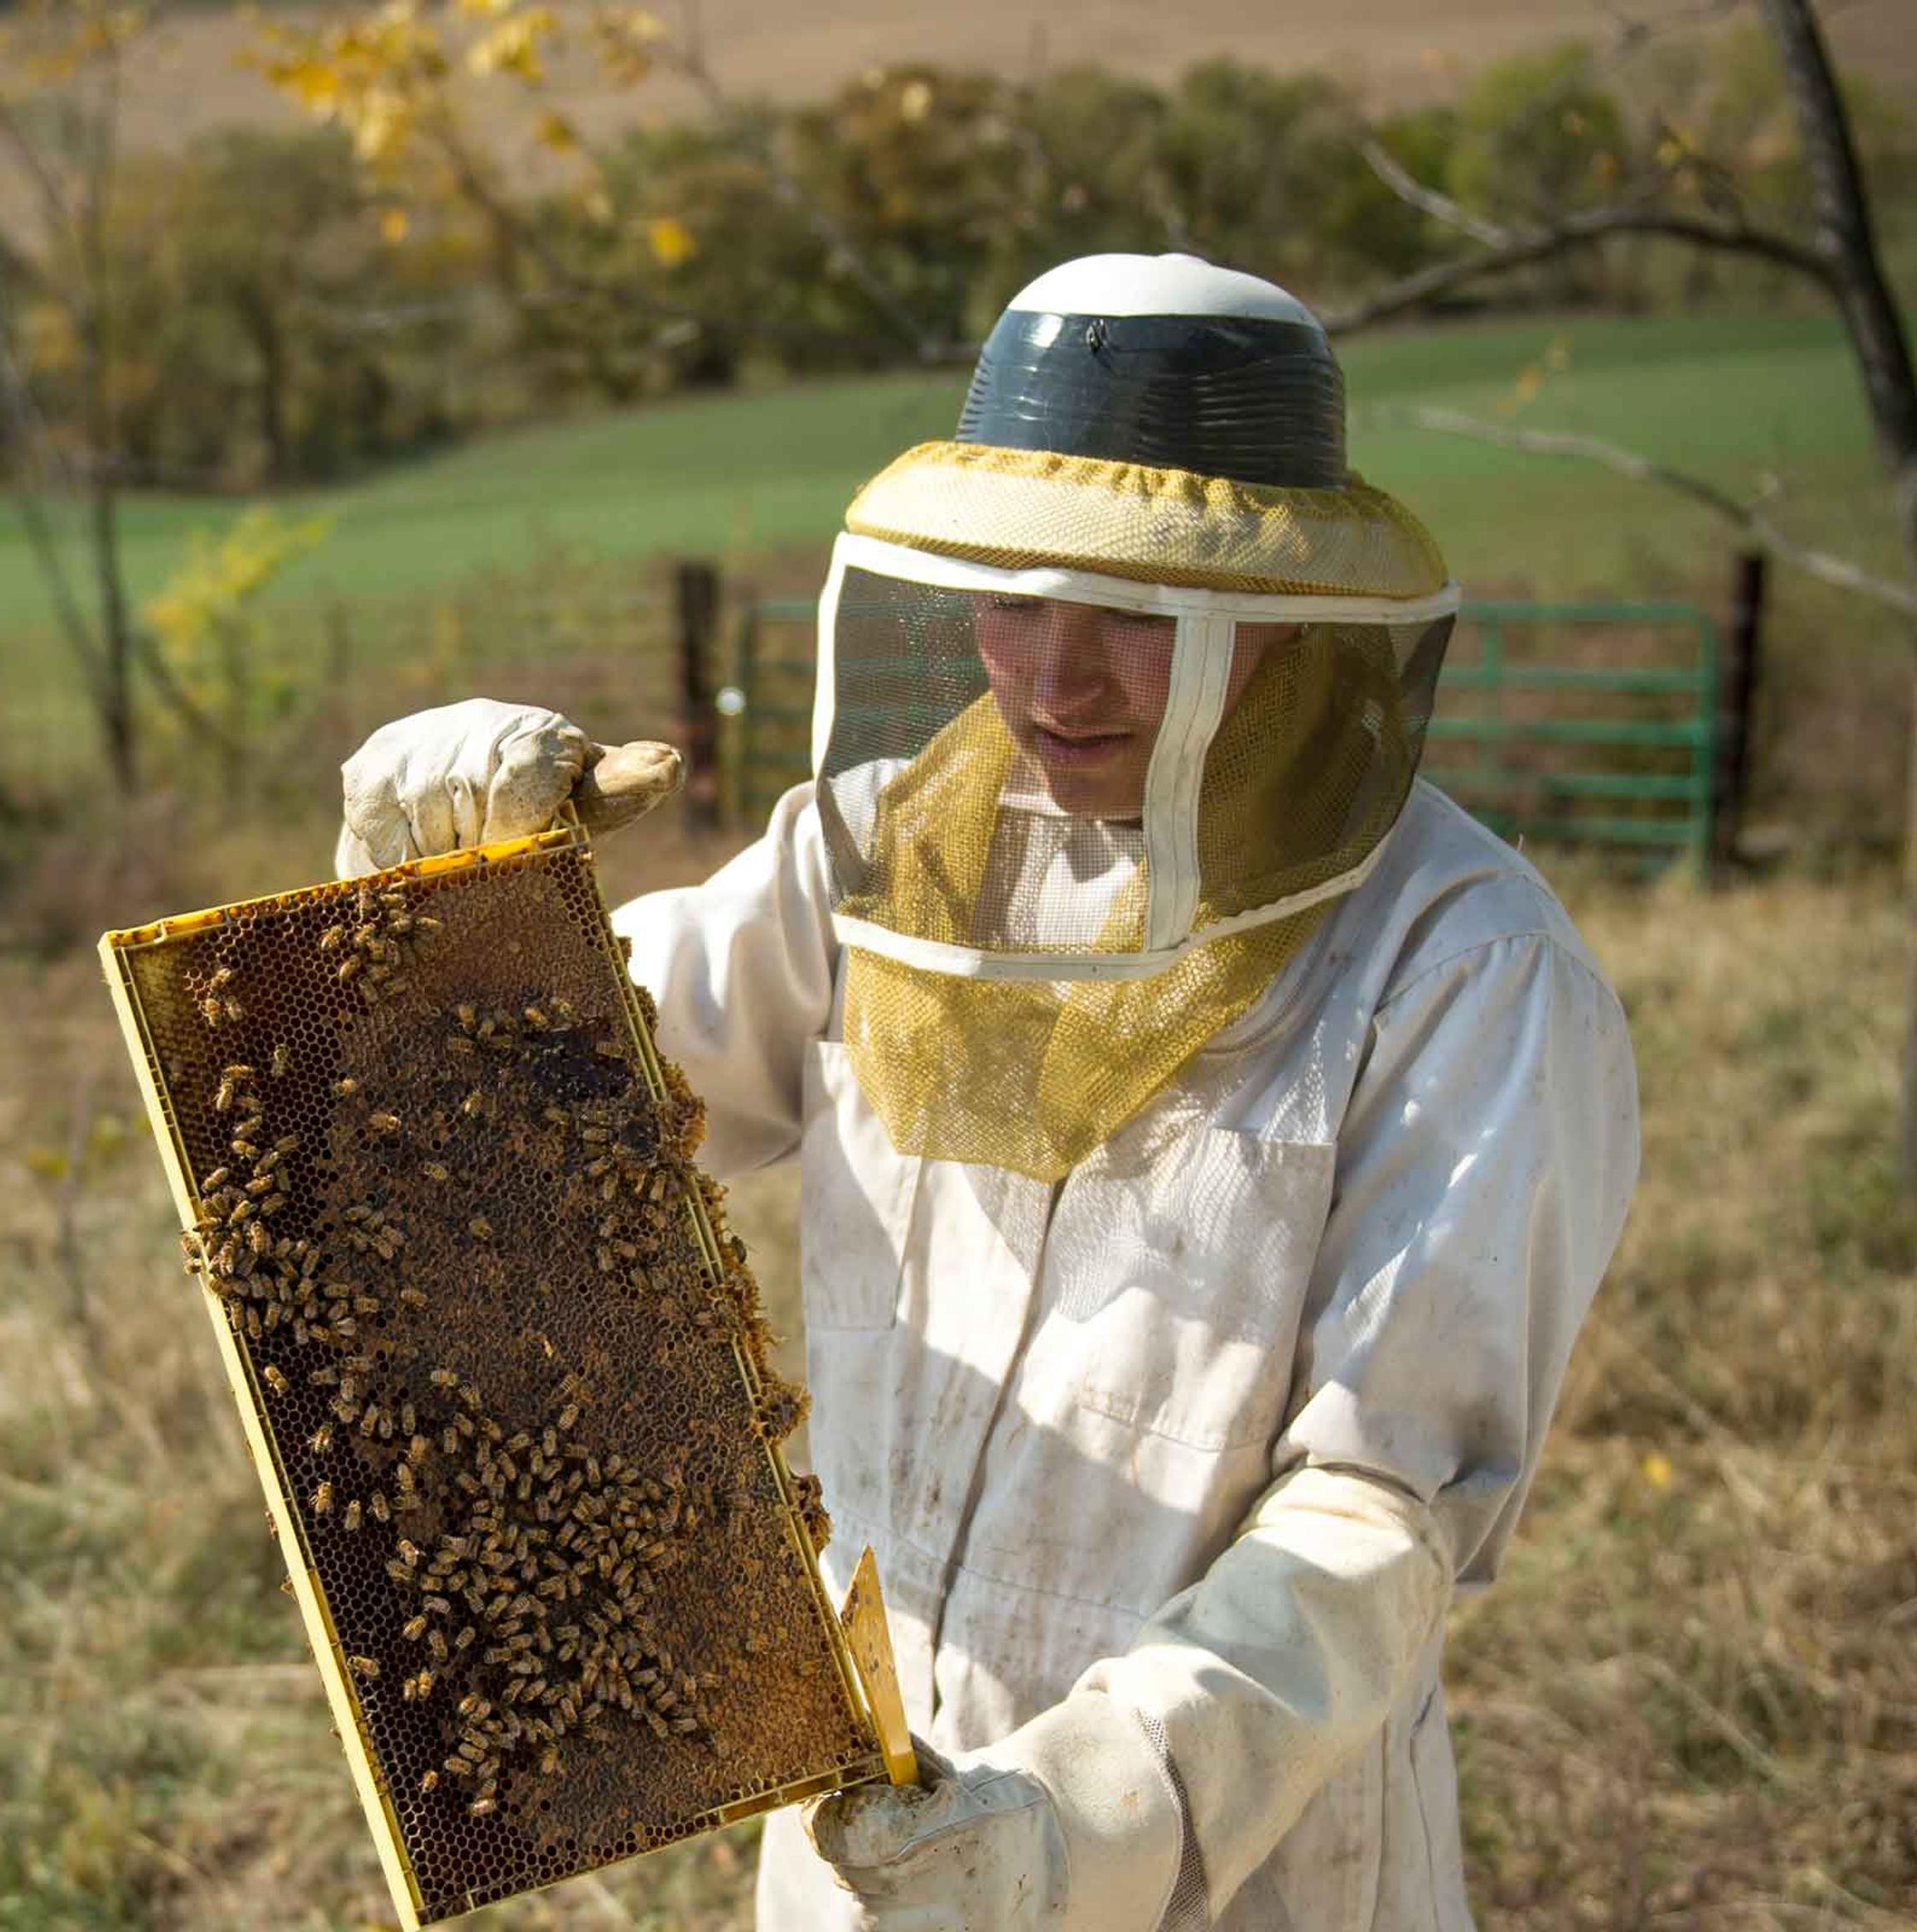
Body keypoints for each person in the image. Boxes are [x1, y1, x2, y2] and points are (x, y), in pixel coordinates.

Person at [332, 254, 1639, 1930]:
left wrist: (1073, 1822)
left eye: (1136, 610)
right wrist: (420, 915)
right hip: (864, 1826)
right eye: (1011, 595)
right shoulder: (877, 854)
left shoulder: (1469, 972)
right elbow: (509, 1122)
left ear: (1295, 614)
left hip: (1240, 1867)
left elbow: (1382, 1512)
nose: (1053, 674)